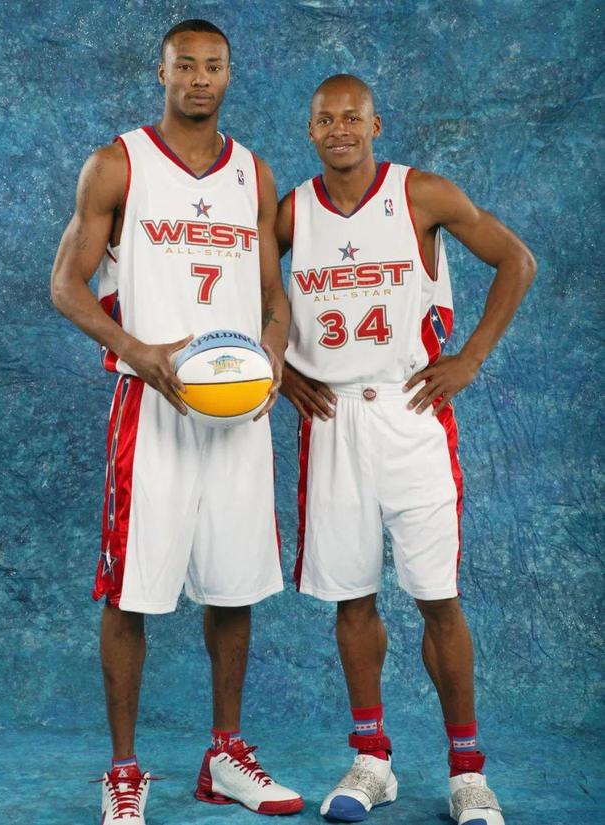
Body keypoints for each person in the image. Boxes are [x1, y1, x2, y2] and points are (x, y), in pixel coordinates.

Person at [51, 19, 303, 824]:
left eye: (213, 66)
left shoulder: (253, 174)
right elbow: (66, 284)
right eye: (185, 65)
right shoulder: (118, 163)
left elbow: (274, 298)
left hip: (237, 413)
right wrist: (137, 349)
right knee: (130, 591)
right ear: (160, 72)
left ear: (229, 75)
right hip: (151, 405)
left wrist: (272, 359)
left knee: (234, 586)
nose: (200, 78)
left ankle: (224, 756)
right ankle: (124, 771)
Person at [276, 74, 536, 824]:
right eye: (325, 119)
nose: (339, 129)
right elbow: (245, 287)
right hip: (332, 419)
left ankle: (467, 772)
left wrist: (471, 358)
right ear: (310, 130)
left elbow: (517, 260)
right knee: (352, 598)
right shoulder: (292, 211)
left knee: (437, 598)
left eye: (351, 117)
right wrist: (281, 371)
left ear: (376, 124)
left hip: (410, 411)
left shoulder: (420, 193)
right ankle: (372, 760)